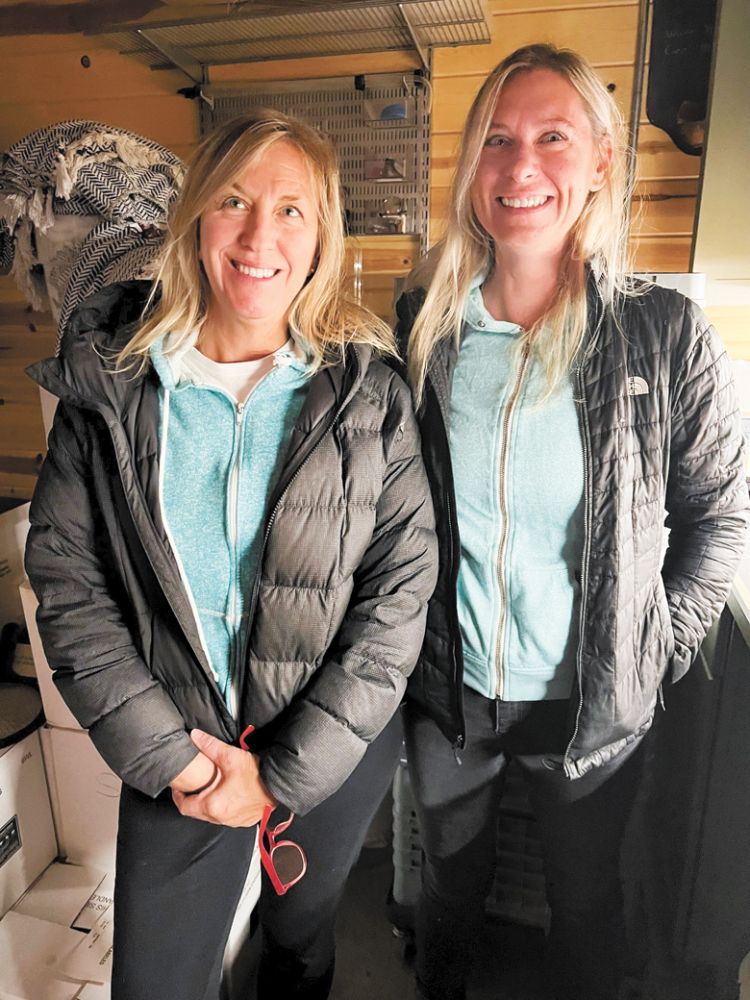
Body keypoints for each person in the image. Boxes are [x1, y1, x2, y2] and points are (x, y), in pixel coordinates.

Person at [24, 109, 437, 1000]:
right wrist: (174, 758)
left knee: (299, 936)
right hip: (178, 754)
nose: (260, 236)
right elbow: (67, 582)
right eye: (235, 201)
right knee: (156, 983)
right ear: (195, 219)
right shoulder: (112, 378)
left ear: (322, 234)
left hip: (328, 748)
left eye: (292, 210)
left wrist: (282, 778)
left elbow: (396, 604)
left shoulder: (372, 395)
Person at [394, 43, 748, 1000]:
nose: (520, 166)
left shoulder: (661, 331)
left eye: (553, 137)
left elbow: (719, 513)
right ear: (473, 166)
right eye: (499, 140)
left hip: (589, 704)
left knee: (586, 900)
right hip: (450, 692)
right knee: (449, 889)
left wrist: (653, 640)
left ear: (599, 163)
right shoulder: (423, 325)